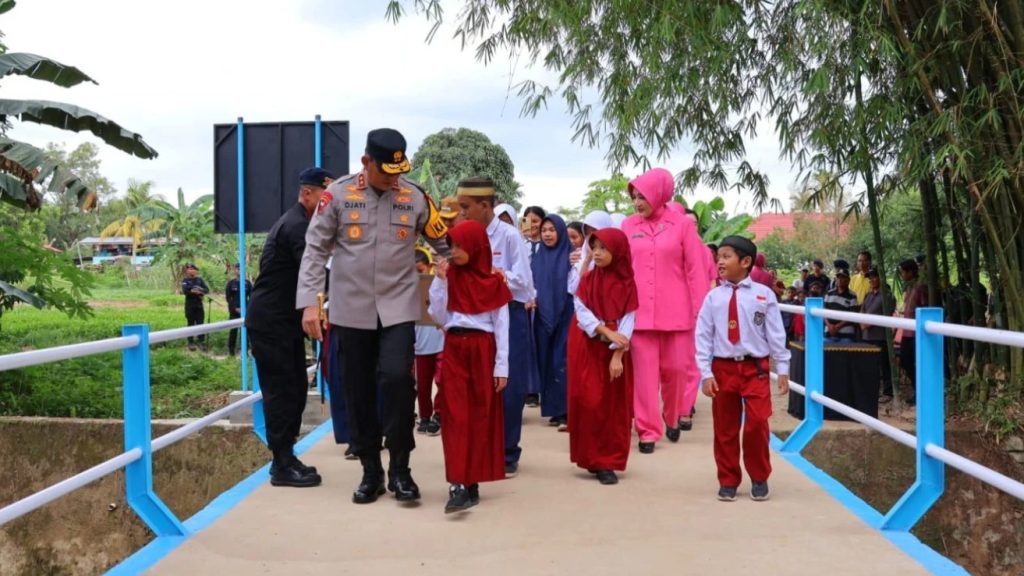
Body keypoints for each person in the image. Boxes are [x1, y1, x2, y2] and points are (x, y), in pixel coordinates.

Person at [297, 128, 450, 505]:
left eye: (399, 172)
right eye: (386, 172)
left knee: (398, 381)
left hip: (398, 309)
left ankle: (401, 468)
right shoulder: (337, 196)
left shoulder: (414, 197)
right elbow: (315, 250)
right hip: (351, 310)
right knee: (358, 389)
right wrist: (309, 304)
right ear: (366, 162)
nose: (393, 179)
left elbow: (445, 242)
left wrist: (477, 261)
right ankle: (370, 470)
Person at [247, 166, 334, 488]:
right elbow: (318, 274)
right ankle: (281, 464)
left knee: (296, 388)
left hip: (284, 323)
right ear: (307, 193)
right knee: (281, 392)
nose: (329, 207)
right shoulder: (297, 226)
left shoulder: (305, 223)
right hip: (271, 322)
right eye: (324, 199)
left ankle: (286, 456)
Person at [696, 235, 790, 502]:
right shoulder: (713, 298)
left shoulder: (764, 295)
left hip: (755, 369)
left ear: (746, 262)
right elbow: (703, 336)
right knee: (724, 427)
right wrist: (706, 373)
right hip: (723, 368)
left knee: (757, 424)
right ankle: (728, 479)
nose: (720, 262)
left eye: (726, 256)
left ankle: (759, 476)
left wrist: (782, 368)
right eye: (719, 257)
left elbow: (775, 334)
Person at [621, 168, 709, 452]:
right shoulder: (628, 225)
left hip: (678, 313)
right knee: (644, 377)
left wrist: (701, 311)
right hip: (639, 313)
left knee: (675, 370)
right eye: (634, 196)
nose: (637, 202)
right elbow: (622, 269)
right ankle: (647, 430)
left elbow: (695, 270)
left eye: (642, 196)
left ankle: (672, 415)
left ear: (659, 194)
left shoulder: (682, 225)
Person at [428, 220, 511, 513]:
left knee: (480, 415)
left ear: (477, 246)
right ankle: (458, 483)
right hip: (454, 347)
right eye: (452, 245)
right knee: (454, 414)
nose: (455, 251)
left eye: (461, 245)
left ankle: (472, 478)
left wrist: (501, 367)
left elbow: (502, 326)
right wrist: (439, 280)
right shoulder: (449, 276)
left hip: (483, 349)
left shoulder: (494, 282)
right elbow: (438, 315)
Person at [456, 177, 535, 477]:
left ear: (485, 206)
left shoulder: (509, 237)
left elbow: (526, 285)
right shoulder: (463, 234)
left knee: (509, 385)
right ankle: (482, 447)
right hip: (475, 318)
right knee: (478, 385)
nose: (462, 213)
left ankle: (508, 451)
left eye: (467, 207)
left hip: (509, 312)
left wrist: (494, 275)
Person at [567, 227, 638, 485]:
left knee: (613, 406)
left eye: (603, 248)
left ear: (617, 251)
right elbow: (581, 311)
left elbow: (629, 320)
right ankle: (592, 457)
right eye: (594, 248)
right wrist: (606, 331)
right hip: (591, 346)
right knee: (590, 401)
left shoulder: (628, 284)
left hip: (615, 352)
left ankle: (608, 461)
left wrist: (618, 355)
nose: (596, 253)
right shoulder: (588, 280)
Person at [532, 214, 573, 430]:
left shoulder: (571, 255)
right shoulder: (537, 257)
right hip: (541, 315)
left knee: (561, 361)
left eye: (552, 230)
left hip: (566, 313)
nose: (547, 234)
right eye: (544, 230)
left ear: (561, 232)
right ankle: (553, 410)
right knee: (546, 361)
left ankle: (566, 409)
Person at [414, 248, 443, 436]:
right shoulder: (406, 289)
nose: (417, 275)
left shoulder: (439, 285)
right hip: (420, 344)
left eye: (420, 270)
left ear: (429, 267)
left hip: (440, 341)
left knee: (443, 380)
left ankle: (439, 414)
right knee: (422, 385)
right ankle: (424, 415)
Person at [859, 266, 895, 402]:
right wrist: (862, 322)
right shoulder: (868, 295)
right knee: (869, 365)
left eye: (875, 276)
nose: (872, 280)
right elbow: (862, 310)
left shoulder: (887, 295)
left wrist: (869, 322)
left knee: (883, 365)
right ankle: (872, 390)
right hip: (867, 335)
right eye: (870, 277)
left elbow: (887, 312)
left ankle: (888, 392)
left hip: (880, 336)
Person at [898, 258, 927, 406]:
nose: (901, 274)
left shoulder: (920, 288)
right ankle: (917, 389)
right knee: (905, 361)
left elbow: (925, 307)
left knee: (917, 362)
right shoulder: (909, 288)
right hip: (907, 332)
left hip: (916, 333)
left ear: (910, 272)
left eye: (903, 271)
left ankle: (920, 393)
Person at [824, 266, 859, 342]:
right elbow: (823, 312)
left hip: (845, 335)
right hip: (829, 333)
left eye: (843, 277)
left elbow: (852, 315)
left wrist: (837, 327)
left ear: (848, 280)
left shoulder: (852, 296)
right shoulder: (829, 293)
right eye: (838, 277)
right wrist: (830, 326)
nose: (840, 280)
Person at [181, 263, 210, 351]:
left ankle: (201, 341)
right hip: (190, 305)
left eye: (193, 269)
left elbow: (206, 290)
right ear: (187, 271)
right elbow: (185, 291)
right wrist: (193, 291)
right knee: (190, 323)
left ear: (196, 271)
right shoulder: (185, 280)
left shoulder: (200, 280)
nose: (191, 271)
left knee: (200, 323)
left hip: (199, 305)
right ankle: (191, 342)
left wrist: (200, 291)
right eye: (189, 269)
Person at [225, 263, 252, 357]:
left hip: (245, 312)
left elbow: (251, 297)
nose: (239, 270)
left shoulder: (247, 283)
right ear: (234, 270)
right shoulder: (231, 283)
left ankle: (244, 351)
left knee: (245, 331)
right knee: (233, 331)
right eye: (238, 268)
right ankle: (231, 351)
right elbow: (228, 298)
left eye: (241, 268)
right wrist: (235, 308)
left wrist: (247, 309)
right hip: (234, 311)